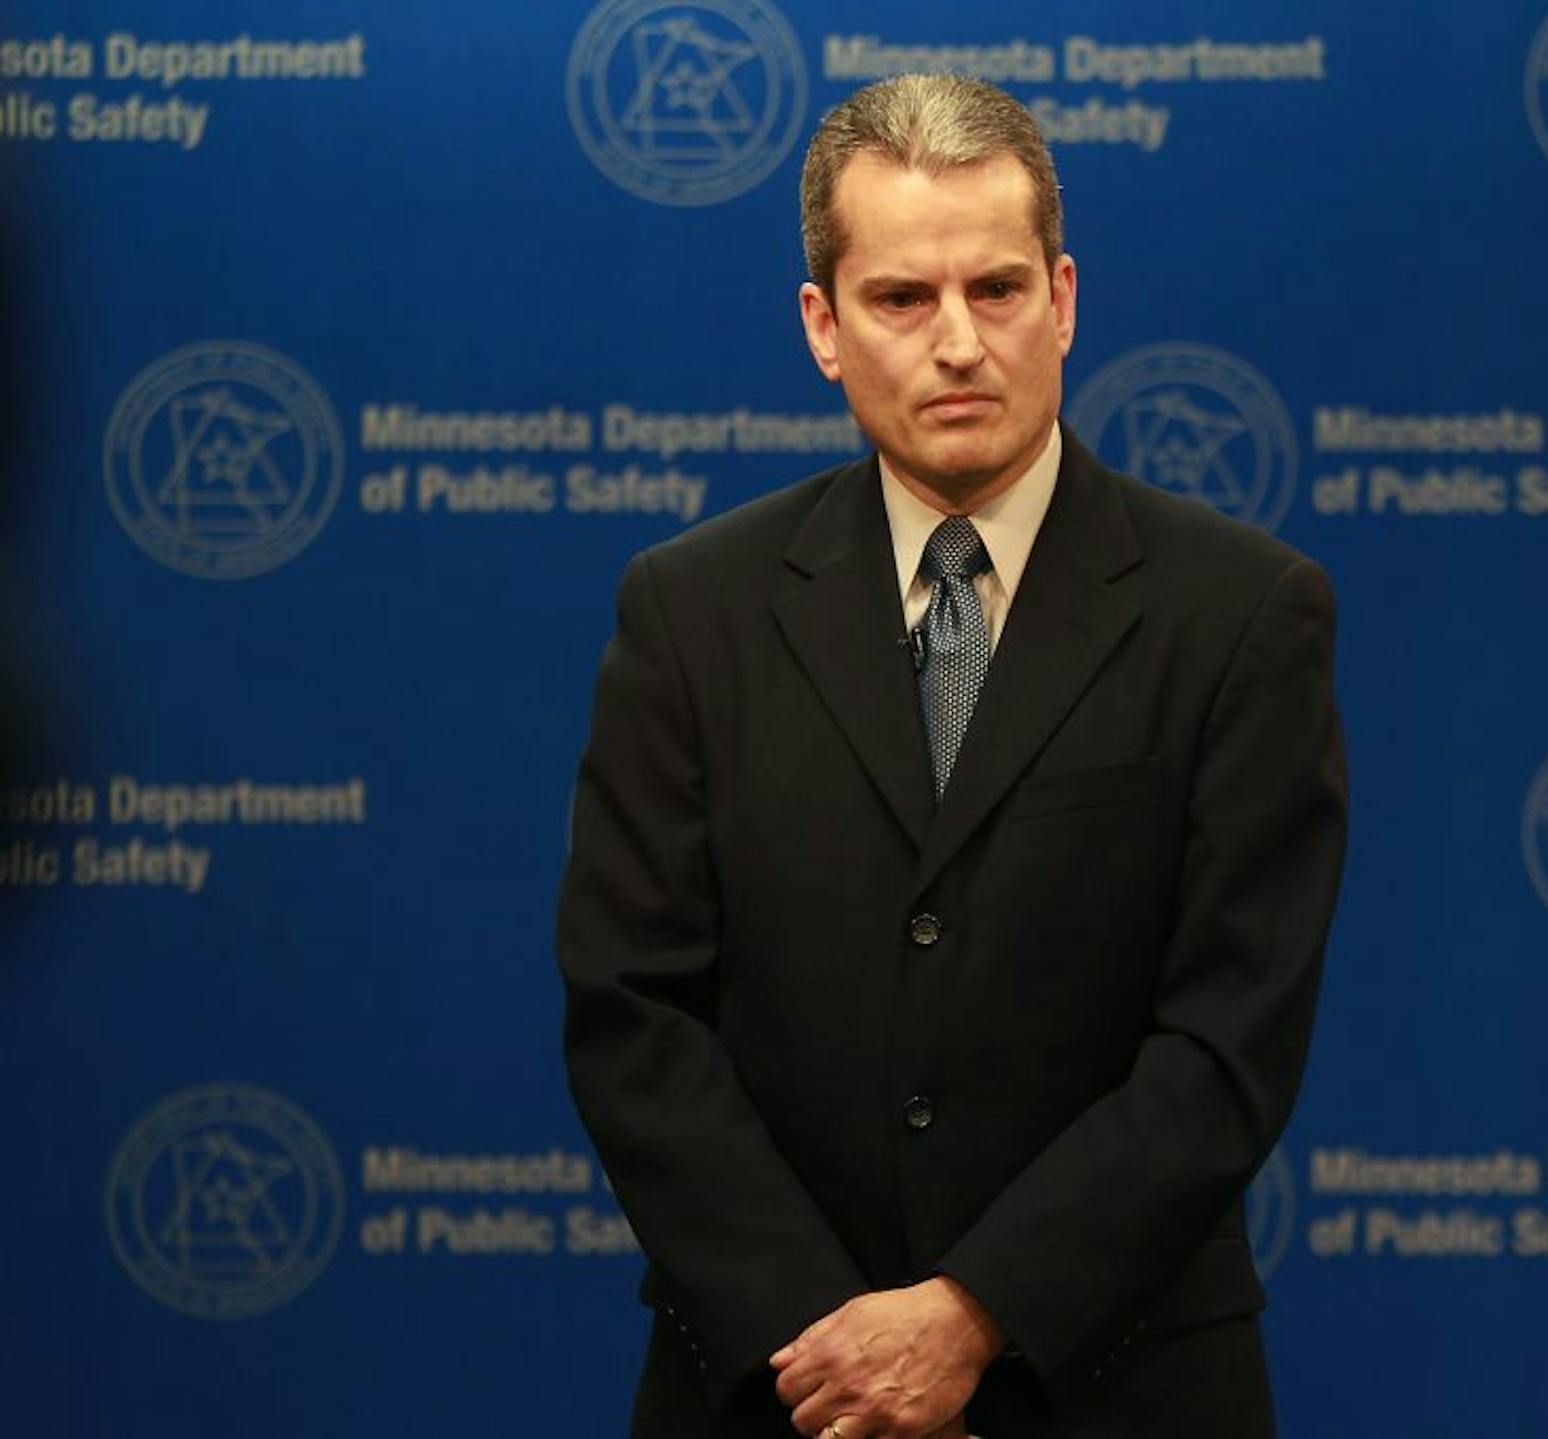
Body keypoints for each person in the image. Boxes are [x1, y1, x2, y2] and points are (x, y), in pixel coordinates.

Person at [557, 73, 1347, 1439]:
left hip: (1119, 1385)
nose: (960, 343)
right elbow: (634, 1015)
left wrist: (971, 1313)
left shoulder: (1242, 616)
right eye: (903, 300)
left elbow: (1227, 1044)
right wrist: (831, 1349)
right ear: (824, 325)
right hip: (773, 1391)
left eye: (997, 288)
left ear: (1065, 299)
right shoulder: (691, 613)